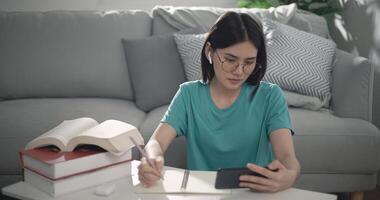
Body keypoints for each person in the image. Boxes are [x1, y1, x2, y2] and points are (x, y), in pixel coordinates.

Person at [138, 11, 301, 193]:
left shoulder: (270, 96)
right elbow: (156, 143)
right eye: (230, 60)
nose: (239, 71)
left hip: (255, 194)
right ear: (209, 51)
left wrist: (290, 174)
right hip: (201, 193)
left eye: (249, 62)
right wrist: (151, 158)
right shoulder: (188, 94)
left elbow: (287, 156)